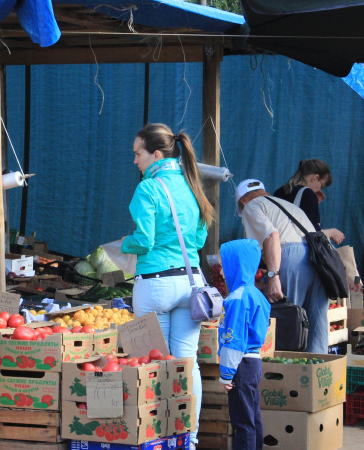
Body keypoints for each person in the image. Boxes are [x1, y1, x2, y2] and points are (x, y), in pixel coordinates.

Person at [120, 123, 212, 449]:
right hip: (191, 284)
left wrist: (123, 245)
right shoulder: (192, 186)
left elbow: (144, 240)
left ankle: (157, 438)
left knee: (154, 364)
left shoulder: (148, 189)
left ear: (156, 155)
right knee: (187, 364)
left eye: (138, 154)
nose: (135, 161)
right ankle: (189, 440)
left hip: (155, 286)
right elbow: (199, 239)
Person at [236, 179, 329, 353]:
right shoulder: (287, 205)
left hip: (291, 257)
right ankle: (318, 372)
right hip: (319, 260)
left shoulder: (251, 206)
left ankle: (285, 375)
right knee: (316, 326)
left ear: (242, 202)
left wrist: (273, 276)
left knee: (288, 322)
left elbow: (272, 236)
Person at [218, 239, 270, 450]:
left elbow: (234, 339)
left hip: (241, 364)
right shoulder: (257, 295)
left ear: (236, 265)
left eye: (225, 264)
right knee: (253, 418)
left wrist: (226, 373)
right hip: (253, 363)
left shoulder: (237, 298)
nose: (222, 272)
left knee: (242, 423)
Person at [273, 159, 344, 245]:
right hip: (295, 250)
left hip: (276, 246)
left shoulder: (279, 191)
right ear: (315, 178)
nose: (319, 189)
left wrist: (313, 205)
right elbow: (313, 232)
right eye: (321, 185)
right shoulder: (308, 194)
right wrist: (331, 232)